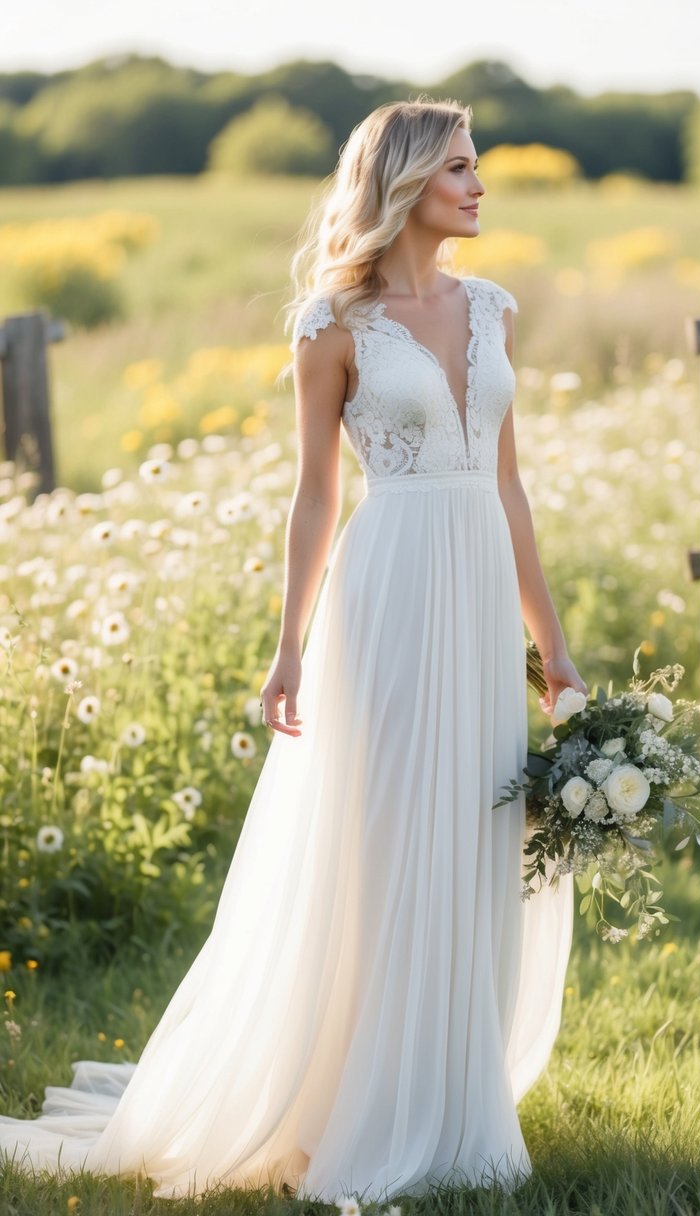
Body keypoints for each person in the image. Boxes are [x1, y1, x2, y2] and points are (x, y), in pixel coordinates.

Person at [0, 95, 587, 1206]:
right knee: (379, 844)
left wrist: (551, 649)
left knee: (473, 833)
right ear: (407, 182)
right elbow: (315, 498)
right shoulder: (332, 324)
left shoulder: (493, 309)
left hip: (473, 596)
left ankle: (452, 1098)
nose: (478, 187)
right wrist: (287, 649)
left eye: (479, 168)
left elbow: (509, 488)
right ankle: (355, 1103)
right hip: (387, 595)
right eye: (461, 168)